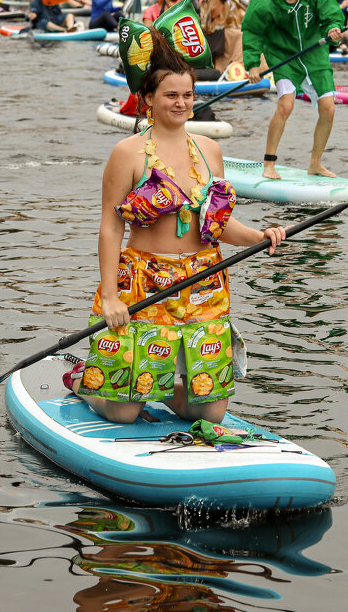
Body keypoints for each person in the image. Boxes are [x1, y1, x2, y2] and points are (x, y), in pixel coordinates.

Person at [64, 31, 287, 425]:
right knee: (123, 413)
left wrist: (260, 236)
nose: (181, 103)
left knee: (210, 411)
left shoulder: (209, 150)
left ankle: (159, 389)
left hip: (204, 282)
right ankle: (86, 381)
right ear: (149, 99)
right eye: (171, 95)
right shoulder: (127, 153)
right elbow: (110, 228)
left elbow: (216, 224)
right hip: (144, 282)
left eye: (187, 95)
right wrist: (112, 298)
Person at [242, 0, 345, 179]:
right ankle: (269, 164)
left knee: (329, 108)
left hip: (313, 53)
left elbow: (332, 15)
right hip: (282, 54)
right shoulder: (264, 0)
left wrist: (333, 29)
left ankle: (315, 164)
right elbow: (252, 32)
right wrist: (252, 65)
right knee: (285, 106)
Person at [201, 0, 248, 73]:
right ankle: (237, 68)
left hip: (233, 30)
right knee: (241, 36)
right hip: (221, 33)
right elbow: (211, 15)